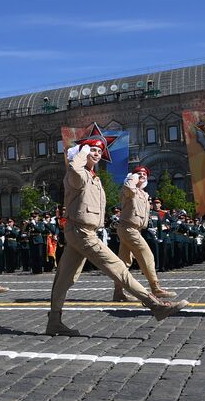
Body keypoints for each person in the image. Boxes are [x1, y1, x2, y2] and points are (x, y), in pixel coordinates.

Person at [46, 136, 188, 336]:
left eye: (98, 152)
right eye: (92, 150)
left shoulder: (93, 177)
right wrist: (81, 153)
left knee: (64, 278)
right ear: (82, 152)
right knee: (118, 267)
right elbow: (75, 171)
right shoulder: (76, 173)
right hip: (81, 231)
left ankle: (54, 321)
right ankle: (155, 304)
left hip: (83, 231)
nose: (95, 154)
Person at [113, 166, 176, 302]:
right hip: (128, 227)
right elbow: (129, 188)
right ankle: (155, 287)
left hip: (136, 229)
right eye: (139, 173)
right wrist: (132, 177)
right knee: (147, 254)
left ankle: (118, 292)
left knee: (123, 263)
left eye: (144, 174)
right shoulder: (128, 189)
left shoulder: (145, 195)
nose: (142, 175)